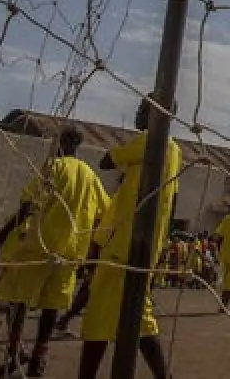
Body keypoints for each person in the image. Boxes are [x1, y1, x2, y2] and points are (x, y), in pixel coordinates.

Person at [0, 127, 111, 378]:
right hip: (71, 253)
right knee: (52, 305)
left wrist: (1, 235)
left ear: (62, 141)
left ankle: (14, 353)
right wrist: (92, 250)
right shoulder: (91, 176)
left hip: (39, 246)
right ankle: (39, 357)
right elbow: (104, 213)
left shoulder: (54, 166)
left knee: (17, 300)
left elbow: (27, 205)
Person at [76, 98, 181, 379]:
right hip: (139, 247)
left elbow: (107, 160)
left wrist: (123, 151)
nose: (137, 114)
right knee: (137, 317)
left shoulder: (151, 141)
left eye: (142, 109)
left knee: (99, 319)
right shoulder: (174, 152)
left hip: (123, 246)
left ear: (157, 116)